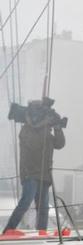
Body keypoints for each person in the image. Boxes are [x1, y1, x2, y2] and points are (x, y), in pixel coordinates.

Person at [3, 98, 65, 233]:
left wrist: (58, 129)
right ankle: (9, 230)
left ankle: (41, 232)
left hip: (44, 174)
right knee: (26, 202)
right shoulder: (27, 130)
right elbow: (34, 145)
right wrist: (47, 123)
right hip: (30, 173)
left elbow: (59, 144)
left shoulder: (46, 131)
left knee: (43, 207)